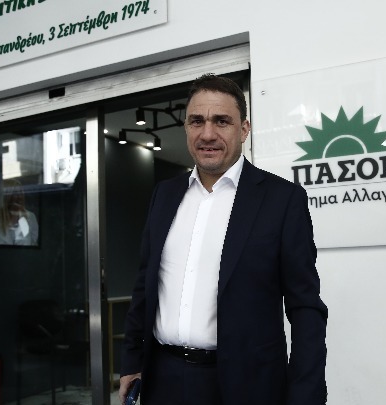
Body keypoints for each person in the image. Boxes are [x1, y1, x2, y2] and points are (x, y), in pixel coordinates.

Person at [119, 74, 328, 405]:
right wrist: (132, 361)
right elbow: (146, 285)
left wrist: (305, 395)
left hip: (246, 386)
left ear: (244, 129)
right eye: (196, 121)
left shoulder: (281, 200)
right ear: (186, 128)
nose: (207, 134)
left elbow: (305, 308)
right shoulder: (164, 194)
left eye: (221, 121)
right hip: (163, 380)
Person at [0, 178, 39, 246]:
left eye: (21, 192)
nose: (20, 196)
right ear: (7, 197)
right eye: (15, 193)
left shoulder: (31, 217)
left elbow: (34, 245)